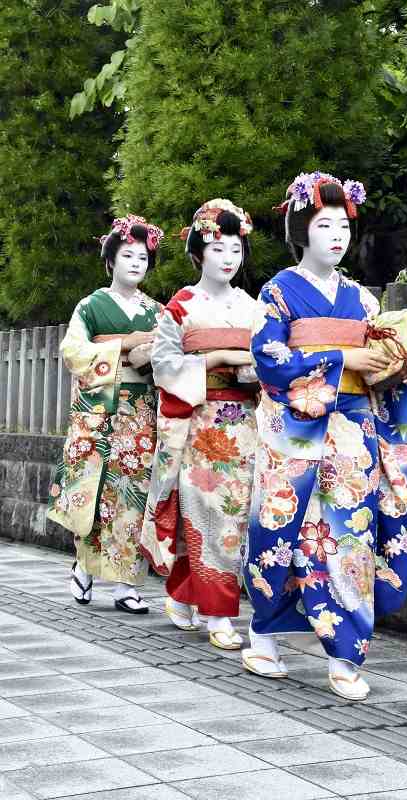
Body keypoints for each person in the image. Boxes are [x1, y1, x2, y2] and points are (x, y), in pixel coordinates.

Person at [242, 172, 407, 699]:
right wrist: (341, 356)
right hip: (296, 427)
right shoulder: (278, 291)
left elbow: (388, 356)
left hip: (352, 429)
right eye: (324, 225)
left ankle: (346, 655)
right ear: (302, 232)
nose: (337, 235)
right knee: (283, 531)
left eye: (343, 225)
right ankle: (264, 637)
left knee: (349, 533)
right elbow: (269, 359)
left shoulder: (362, 300)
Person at [140, 198, 258, 649]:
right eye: (218, 250)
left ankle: (184, 591)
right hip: (199, 425)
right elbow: (165, 366)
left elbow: (263, 365)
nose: (228, 259)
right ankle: (219, 614)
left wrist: (253, 372)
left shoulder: (252, 307)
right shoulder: (181, 307)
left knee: (232, 518)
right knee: (209, 513)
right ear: (198, 254)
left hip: (245, 423)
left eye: (235, 249)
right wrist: (221, 358)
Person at [48, 214, 164, 614]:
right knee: (94, 496)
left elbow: (167, 358)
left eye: (143, 257)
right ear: (111, 261)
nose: (136, 263)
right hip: (98, 413)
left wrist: (147, 354)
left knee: (132, 493)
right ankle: (84, 566)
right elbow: (73, 353)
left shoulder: (158, 311)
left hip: (140, 413)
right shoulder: (91, 305)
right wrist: (124, 347)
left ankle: (126, 584)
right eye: (128, 255)